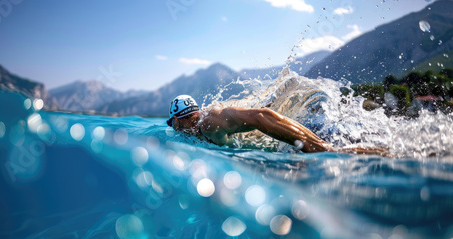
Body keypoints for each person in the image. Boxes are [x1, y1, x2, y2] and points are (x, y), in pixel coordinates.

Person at [166, 95, 390, 156]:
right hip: (279, 140)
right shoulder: (198, 129)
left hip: (295, 129)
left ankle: (394, 155)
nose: (173, 128)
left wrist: (308, 144)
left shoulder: (210, 122)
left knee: (330, 151)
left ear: (178, 120)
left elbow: (262, 116)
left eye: (172, 123)